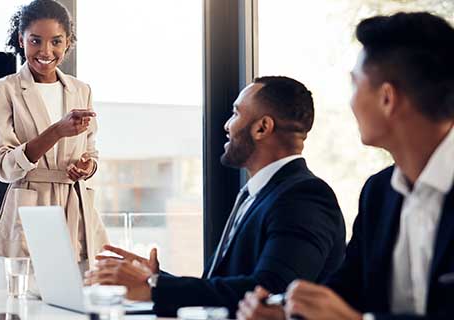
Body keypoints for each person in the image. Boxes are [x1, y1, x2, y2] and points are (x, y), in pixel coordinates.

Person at [237, 12, 454, 320]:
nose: (350, 102)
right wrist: (288, 311)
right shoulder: (378, 193)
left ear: (387, 98)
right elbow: (345, 292)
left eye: (354, 84)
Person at [85, 76, 347, 317]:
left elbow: (268, 293)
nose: (226, 125)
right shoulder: (259, 194)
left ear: (262, 127)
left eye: (236, 113)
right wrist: (154, 278)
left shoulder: (304, 197)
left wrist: (154, 286)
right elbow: (229, 283)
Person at [0, 0, 109, 273]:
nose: (46, 51)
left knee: (79, 302)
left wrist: (87, 166)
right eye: (35, 41)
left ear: (68, 42)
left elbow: (91, 149)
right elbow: (1, 165)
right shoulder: (4, 90)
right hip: (31, 210)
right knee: (27, 304)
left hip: (77, 208)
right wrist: (56, 131)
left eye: (56, 41)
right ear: (21, 40)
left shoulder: (81, 90)